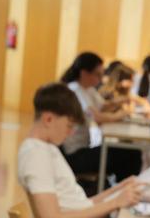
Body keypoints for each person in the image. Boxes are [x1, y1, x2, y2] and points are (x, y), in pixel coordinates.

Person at [17, 82, 142, 218]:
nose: (70, 132)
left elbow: (81, 204)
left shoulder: (47, 149)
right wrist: (115, 203)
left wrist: (118, 189)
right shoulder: (35, 155)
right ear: (48, 119)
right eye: (69, 126)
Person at [60, 52, 142, 184]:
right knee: (131, 154)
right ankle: (122, 192)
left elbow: (103, 107)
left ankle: (119, 190)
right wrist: (122, 114)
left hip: (82, 149)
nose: (100, 78)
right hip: (74, 155)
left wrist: (124, 100)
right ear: (84, 73)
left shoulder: (87, 89)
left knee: (129, 151)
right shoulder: (75, 90)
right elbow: (97, 117)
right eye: (97, 74)